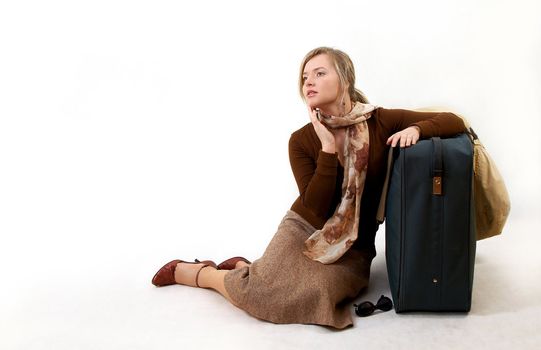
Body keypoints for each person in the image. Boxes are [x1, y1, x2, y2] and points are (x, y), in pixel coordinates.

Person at [151, 46, 467, 329]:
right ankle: (200, 273)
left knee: (320, 294)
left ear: (344, 79)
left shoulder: (379, 121)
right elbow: (316, 206)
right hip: (303, 227)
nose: (309, 82)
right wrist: (328, 148)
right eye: (305, 77)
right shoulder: (301, 140)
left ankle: (246, 268)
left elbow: (453, 120)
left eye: (319, 73)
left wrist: (416, 128)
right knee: (259, 294)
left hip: (355, 246)